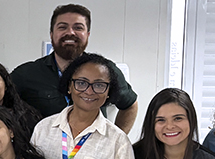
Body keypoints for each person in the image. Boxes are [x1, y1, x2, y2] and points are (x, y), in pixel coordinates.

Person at [11, 4, 139, 133]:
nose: (70, 32)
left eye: (78, 27)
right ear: (51, 34)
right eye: (62, 27)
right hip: (43, 150)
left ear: (88, 34)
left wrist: (115, 141)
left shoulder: (105, 71)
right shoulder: (26, 74)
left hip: (93, 151)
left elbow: (130, 105)